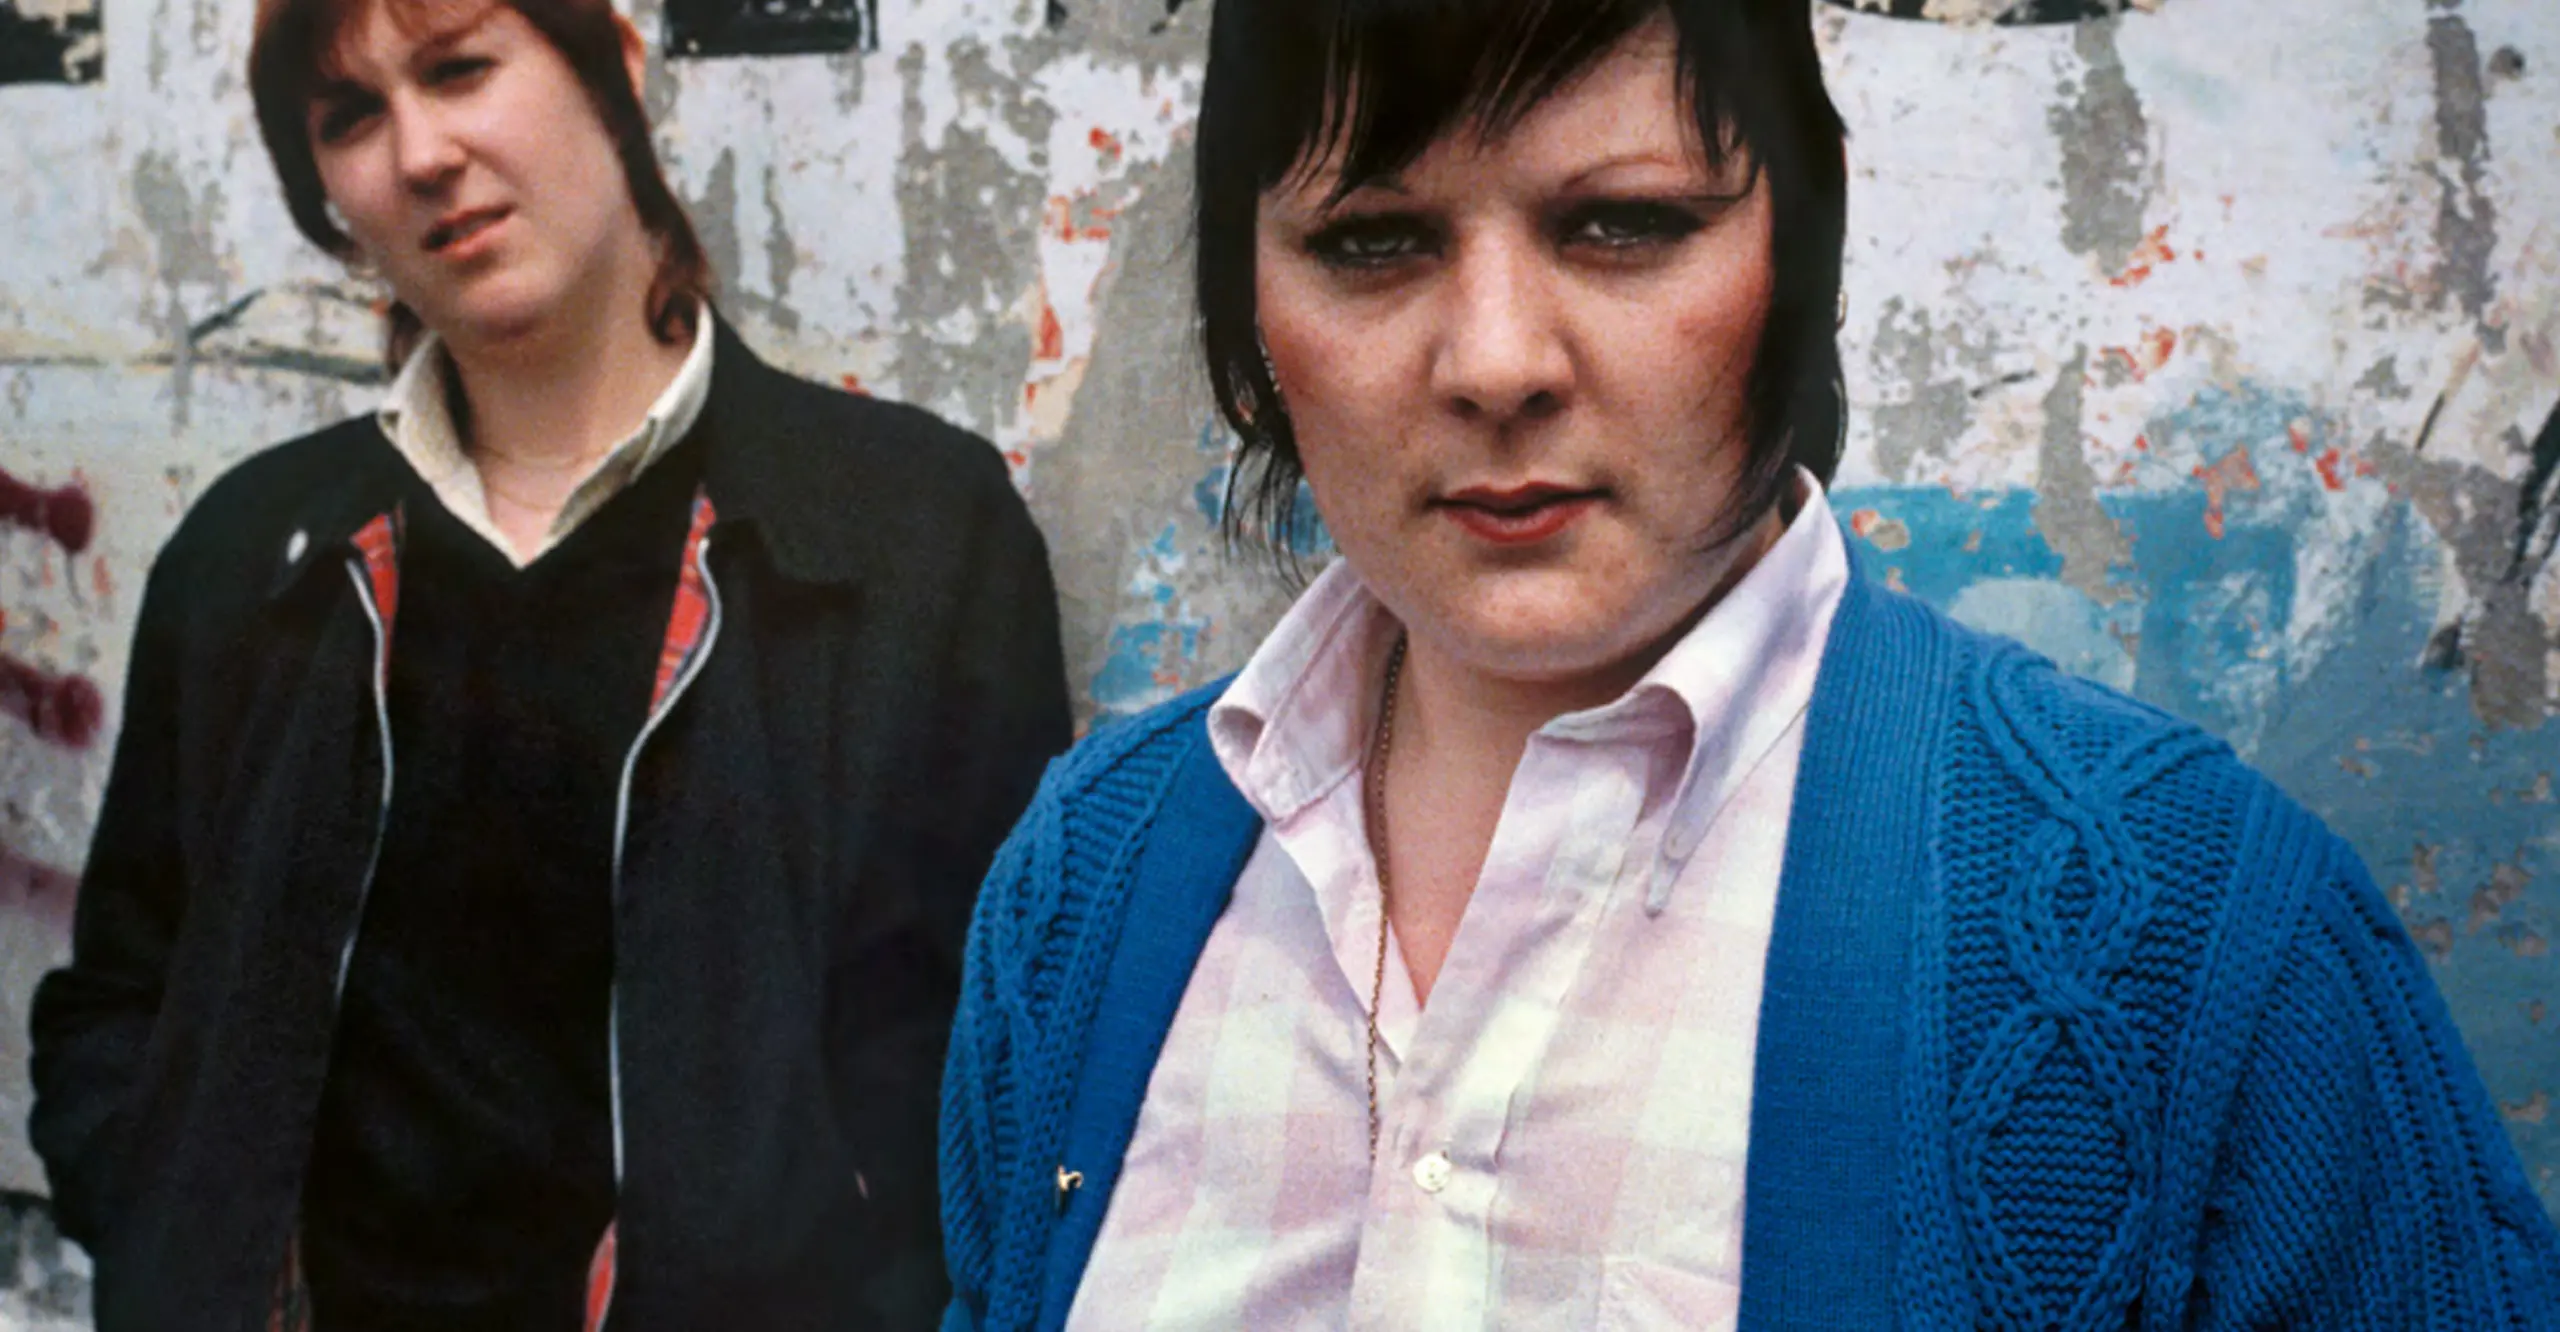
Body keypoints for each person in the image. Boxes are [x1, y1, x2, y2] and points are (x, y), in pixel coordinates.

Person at [935, 0, 2560, 1327]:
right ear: (1249, 304)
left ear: (1797, 248)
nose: (1497, 359)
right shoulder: (1083, 885)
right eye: (1371, 243)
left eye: (1623, 226)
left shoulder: (2197, 933)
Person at [25, 0, 1072, 1325]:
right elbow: (118, 999)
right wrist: (172, 1215)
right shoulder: (255, 556)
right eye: (353, 116)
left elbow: (1009, 1057)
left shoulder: (912, 534)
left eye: (460, 69)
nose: (420, 154)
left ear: (614, 74)